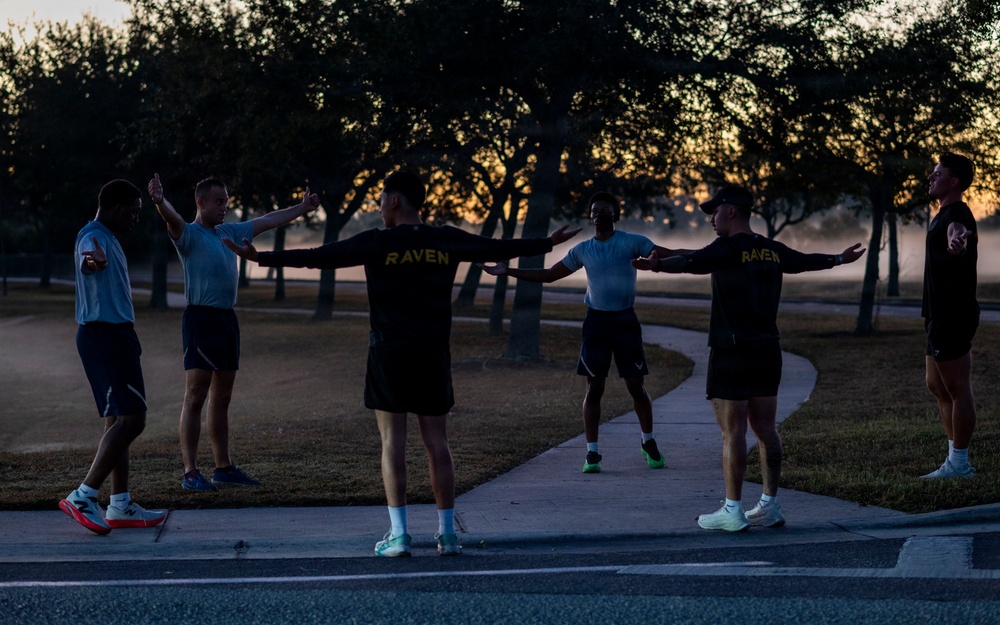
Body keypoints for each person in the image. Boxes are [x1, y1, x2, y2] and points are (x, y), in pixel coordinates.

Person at [224, 171, 580, 556]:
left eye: (380, 200)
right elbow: (495, 248)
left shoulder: (377, 242)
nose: (378, 208)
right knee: (437, 444)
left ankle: (400, 535)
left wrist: (260, 258)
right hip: (432, 355)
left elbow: (319, 258)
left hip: (389, 354)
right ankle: (447, 535)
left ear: (394, 201)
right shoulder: (445, 238)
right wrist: (546, 241)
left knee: (393, 442)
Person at [633, 184, 865, 531]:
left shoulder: (727, 247)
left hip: (732, 350)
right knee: (765, 429)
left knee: (733, 432)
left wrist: (657, 267)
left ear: (731, 211)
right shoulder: (770, 249)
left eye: (714, 211)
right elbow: (803, 262)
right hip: (767, 349)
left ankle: (732, 510)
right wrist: (838, 259)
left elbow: (693, 261)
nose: (711, 218)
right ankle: (770, 505)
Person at [147, 173, 319, 491]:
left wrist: (302, 207)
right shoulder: (188, 234)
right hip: (201, 320)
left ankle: (223, 468)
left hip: (227, 320)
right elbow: (171, 217)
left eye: (227, 201)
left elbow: (268, 220)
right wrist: (159, 201)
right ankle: (190, 472)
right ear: (201, 202)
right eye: (219, 201)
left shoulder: (230, 231)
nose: (225, 207)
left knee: (222, 398)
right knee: (195, 396)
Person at [480, 191, 672, 474]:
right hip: (596, 324)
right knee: (594, 388)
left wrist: (706, 257)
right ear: (590, 216)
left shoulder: (633, 243)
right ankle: (592, 453)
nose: (598, 213)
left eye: (605, 210)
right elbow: (548, 275)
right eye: (594, 210)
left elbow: (666, 256)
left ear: (615, 215)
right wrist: (507, 271)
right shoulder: (583, 250)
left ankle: (648, 442)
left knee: (636, 387)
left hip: (625, 322)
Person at [59, 179, 167, 534]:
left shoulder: (112, 239)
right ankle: (83, 495)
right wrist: (93, 260)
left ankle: (119, 505)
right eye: (133, 212)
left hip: (116, 335)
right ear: (117, 208)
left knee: (118, 421)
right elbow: (87, 258)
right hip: (104, 336)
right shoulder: (91, 236)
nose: (137, 218)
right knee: (134, 420)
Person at [920, 152, 979, 479]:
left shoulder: (957, 215)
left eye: (937, 172)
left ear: (952, 181)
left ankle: (960, 462)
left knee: (957, 387)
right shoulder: (942, 214)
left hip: (953, 314)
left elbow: (958, 234)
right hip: (938, 314)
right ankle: (953, 459)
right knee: (936, 385)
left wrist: (958, 243)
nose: (931, 176)